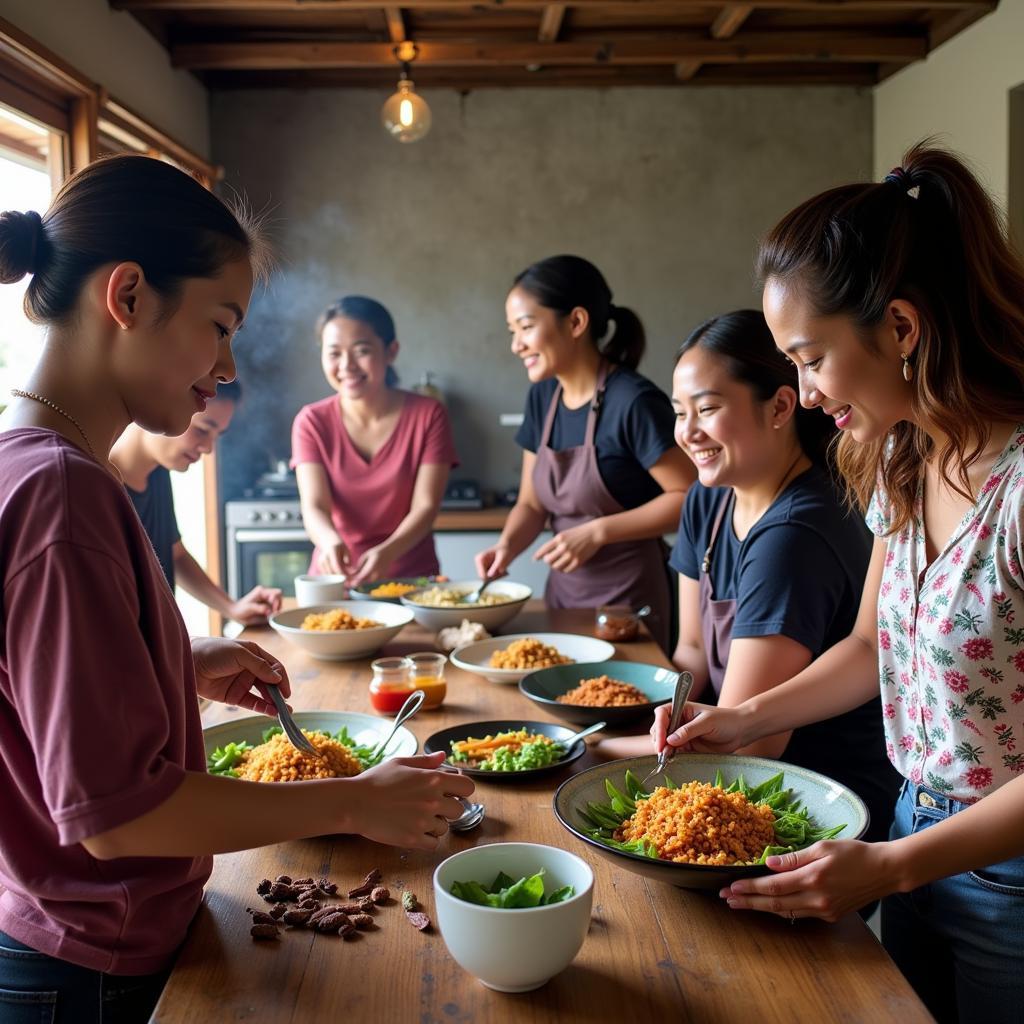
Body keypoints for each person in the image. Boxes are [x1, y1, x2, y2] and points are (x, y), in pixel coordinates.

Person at [0, 155, 473, 1022]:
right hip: (92, 964)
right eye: (220, 326)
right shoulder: (65, 493)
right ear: (129, 296)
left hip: (84, 935)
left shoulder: (34, 467)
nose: (225, 367)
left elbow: (40, 711)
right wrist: (355, 801)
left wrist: (174, 663)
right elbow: (116, 818)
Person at [656, 143, 1024, 1024]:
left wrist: (895, 869)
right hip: (909, 826)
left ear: (900, 328)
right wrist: (739, 719)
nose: (807, 393)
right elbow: (868, 647)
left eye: (811, 358)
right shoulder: (903, 453)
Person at [598, 310, 899, 855]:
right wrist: (661, 720)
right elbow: (690, 651)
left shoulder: (796, 531)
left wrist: (592, 750)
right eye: (678, 412)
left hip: (804, 806)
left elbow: (754, 742)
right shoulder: (708, 498)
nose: (687, 433)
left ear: (782, 405)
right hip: (722, 766)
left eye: (708, 409)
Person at [474, 255, 695, 649]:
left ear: (576, 322)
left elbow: (691, 497)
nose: (516, 344)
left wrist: (598, 532)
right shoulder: (543, 397)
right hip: (564, 597)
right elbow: (530, 503)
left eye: (526, 327)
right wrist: (506, 547)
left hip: (630, 602)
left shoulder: (633, 401)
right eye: (513, 330)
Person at [292, 296, 457, 587]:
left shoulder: (429, 415)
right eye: (334, 353)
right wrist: (330, 542)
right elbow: (314, 505)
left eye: (362, 350)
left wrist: (388, 552)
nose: (347, 365)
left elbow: (425, 507)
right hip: (336, 582)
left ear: (391, 351)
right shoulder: (312, 421)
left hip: (411, 582)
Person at [110, 378, 282, 625]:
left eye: (216, 435)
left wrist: (232, 608)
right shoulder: (101, 483)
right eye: (202, 429)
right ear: (160, 405)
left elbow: (175, 554)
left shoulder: (157, 473)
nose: (208, 448)